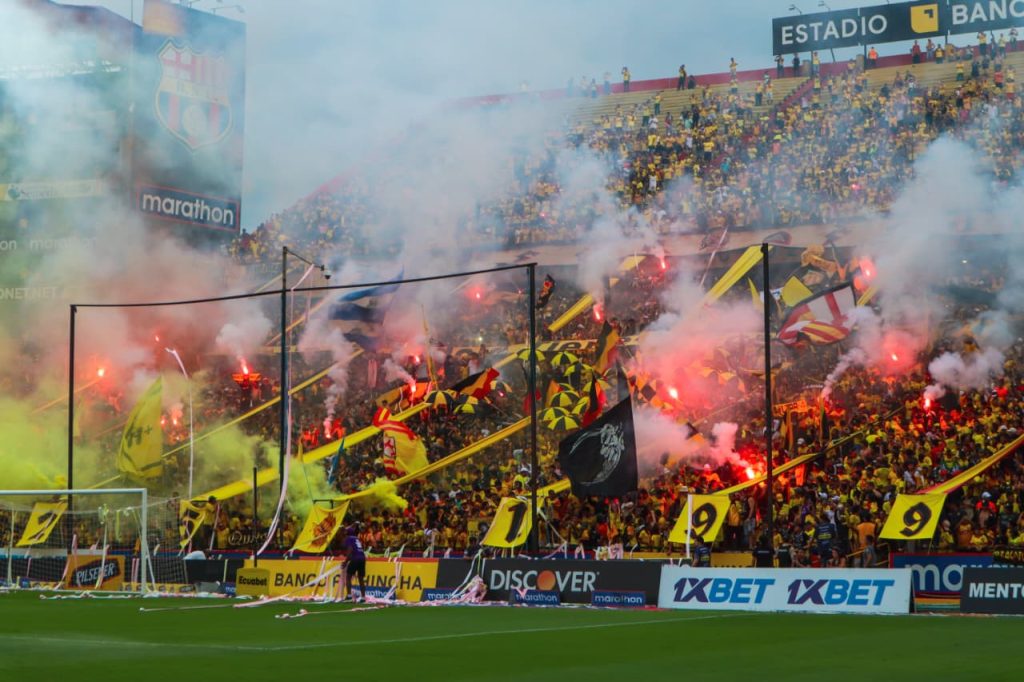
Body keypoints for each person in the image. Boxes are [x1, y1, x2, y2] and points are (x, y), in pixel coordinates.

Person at [342, 524, 367, 601]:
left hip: (355, 558)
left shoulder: (349, 538)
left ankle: (349, 595)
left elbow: (350, 550)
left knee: (348, 576)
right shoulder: (356, 538)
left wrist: (346, 561)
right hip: (362, 558)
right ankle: (363, 597)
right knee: (361, 578)